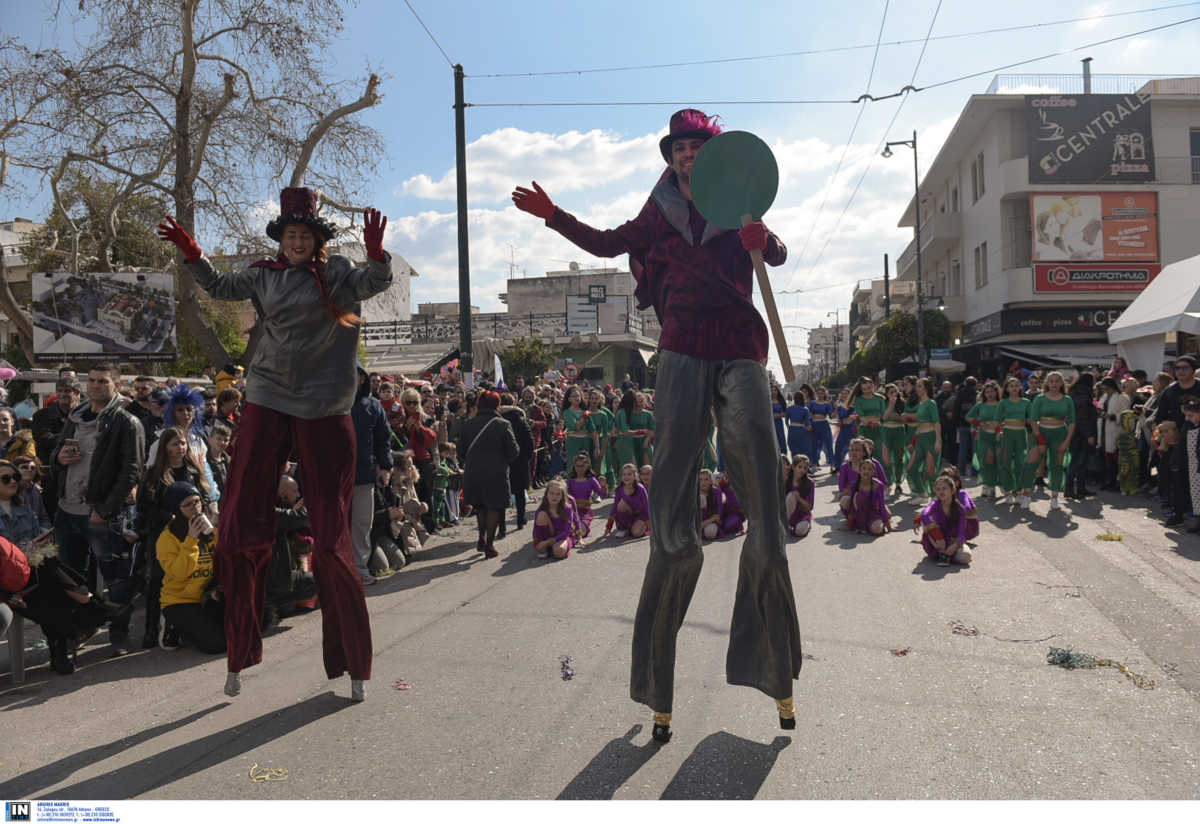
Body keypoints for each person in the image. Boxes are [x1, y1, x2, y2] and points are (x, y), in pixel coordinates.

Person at [513, 108, 802, 740]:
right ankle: (656, 688)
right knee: (670, 532)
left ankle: (774, 673)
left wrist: (766, 243)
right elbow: (607, 244)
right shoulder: (657, 213)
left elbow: (776, 255)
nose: (686, 155)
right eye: (678, 148)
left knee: (768, 527)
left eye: (696, 146)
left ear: (715, 155)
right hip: (677, 354)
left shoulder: (741, 202)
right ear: (670, 158)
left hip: (740, 352)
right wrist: (554, 215)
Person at [158, 190, 393, 701]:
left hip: (326, 399)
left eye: (306, 235)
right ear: (281, 239)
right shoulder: (262, 272)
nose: (298, 242)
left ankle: (351, 663)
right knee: (242, 518)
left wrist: (378, 254)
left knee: (330, 534)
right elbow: (220, 286)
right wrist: (193, 255)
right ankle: (238, 650)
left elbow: (376, 281)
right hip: (268, 389)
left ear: (318, 240)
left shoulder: (339, 273)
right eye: (291, 235)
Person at [49, 363, 145, 594]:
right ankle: (81, 626)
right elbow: (55, 454)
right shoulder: (75, 417)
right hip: (67, 510)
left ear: (117, 385)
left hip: (101, 515)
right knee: (71, 579)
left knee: (116, 579)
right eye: (92, 380)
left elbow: (131, 472)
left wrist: (104, 510)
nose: (96, 385)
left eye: (103, 381)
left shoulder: (127, 423)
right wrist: (59, 459)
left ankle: (118, 629)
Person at [0, 534, 129, 675]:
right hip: (14, 591)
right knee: (51, 585)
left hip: (27, 572)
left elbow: (31, 535)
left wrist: (32, 546)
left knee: (48, 569)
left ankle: (62, 645)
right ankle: (93, 607)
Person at [138, 426, 213, 648]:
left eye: (182, 443)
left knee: (193, 574)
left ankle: (181, 625)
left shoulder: (193, 469)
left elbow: (205, 497)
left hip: (194, 530)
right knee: (158, 580)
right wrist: (167, 516)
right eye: (174, 444)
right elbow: (143, 507)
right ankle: (152, 629)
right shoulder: (154, 475)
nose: (180, 448)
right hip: (164, 534)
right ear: (165, 447)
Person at [156, 481, 225, 654]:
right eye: (188, 504)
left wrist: (219, 587)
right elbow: (180, 574)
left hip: (208, 593)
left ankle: (202, 624)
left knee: (249, 627)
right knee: (217, 644)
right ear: (176, 509)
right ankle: (171, 625)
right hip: (181, 600)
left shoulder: (210, 529)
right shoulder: (167, 539)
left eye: (197, 501)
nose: (195, 507)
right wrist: (191, 540)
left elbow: (224, 560)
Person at [458, 390, 519, 558]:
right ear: (497, 405)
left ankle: (481, 537)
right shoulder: (503, 424)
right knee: (493, 508)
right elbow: (514, 451)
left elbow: (460, 451)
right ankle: (490, 545)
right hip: (496, 473)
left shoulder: (468, 424)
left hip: (473, 473)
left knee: (480, 507)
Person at [350, 366, 394, 586]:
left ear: (362, 379)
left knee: (361, 524)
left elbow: (383, 439)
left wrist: (385, 466)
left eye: (357, 374)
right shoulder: (327, 402)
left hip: (363, 475)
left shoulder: (372, 406)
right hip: (332, 479)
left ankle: (359, 570)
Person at [1153, 355, 1200, 526]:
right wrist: (1165, 434)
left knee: (1196, 478)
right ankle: (1178, 512)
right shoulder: (1170, 391)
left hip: (1196, 439)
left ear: (1193, 370)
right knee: (1176, 477)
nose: (1180, 371)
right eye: (1177, 368)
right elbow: (1159, 416)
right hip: (1175, 442)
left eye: (1184, 368)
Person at [1024, 371, 1076, 511]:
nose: (1054, 384)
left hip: (1060, 433)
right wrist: (1040, 439)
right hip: (1040, 432)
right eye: (1051, 381)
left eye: (1057, 381)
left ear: (1061, 383)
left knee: (1057, 466)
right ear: (1047, 383)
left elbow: (1072, 422)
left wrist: (1066, 441)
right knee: (1031, 463)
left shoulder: (1067, 400)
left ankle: (1054, 497)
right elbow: (1033, 420)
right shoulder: (1040, 399)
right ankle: (1027, 495)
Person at [918, 476, 973, 567]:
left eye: (944, 488)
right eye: (938, 489)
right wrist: (938, 537)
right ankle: (941, 553)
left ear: (952, 490)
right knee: (925, 521)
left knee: (966, 557)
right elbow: (924, 514)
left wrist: (955, 545)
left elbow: (961, 532)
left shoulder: (960, 509)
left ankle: (946, 555)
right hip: (936, 541)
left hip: (952, 540)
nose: (941, 492)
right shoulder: (935, 504)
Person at [499, 394, 534, 532]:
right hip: (519, 460)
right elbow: (529, 440)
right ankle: (520, 519)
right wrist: (527, 457)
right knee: (520, 492)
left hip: (502, 460)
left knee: (502, 493)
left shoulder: (497, 419)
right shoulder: (520, 419)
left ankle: (502, 525)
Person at [904, 378, 942, 505]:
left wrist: (938, 440)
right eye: (917, 386)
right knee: (910, 467)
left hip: (931, 437)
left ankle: (937, 498)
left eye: (919, 386)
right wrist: (913, 442)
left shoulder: (931, 403)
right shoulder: (920, 404)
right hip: (920, 438)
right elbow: (919, 425)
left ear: (926, 388)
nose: (917, 388)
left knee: (930, 471)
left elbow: (936, 422)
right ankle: (922, 493)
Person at [31, 377, 82, 467]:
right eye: (59, 391)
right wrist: (74, 438)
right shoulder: (42, 415)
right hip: (51, 467)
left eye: (67, 391)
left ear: (77, 393)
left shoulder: (85, 414)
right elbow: (43, 440)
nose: (62, 394)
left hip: (79, 465)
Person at [997, 377, 1032, 506]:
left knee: (1020, 463)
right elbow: (997, 420)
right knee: (1005, 462)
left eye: (1017, 385)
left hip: (1021, 434)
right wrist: (998, 432)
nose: (1014, 388)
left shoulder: (1026, 402)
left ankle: (1018, 491)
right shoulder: (1003, 403)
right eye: (1011, 386)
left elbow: (1032, 418)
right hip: (1006, 434)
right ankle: (1007, 491)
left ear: (1020, 388)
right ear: (1006, 388)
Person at [967, 380, 1002, 499]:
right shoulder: (980, 405)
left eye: (992, 391)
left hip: (998, 436)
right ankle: (988, 486)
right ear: (984, 393)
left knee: (998, 462)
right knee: (987, 461)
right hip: (984, 436)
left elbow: (1005, 419)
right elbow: (969, 417)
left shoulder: (1001, 405)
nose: (990, 394)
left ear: (996, 392)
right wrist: (978, 424)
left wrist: (999, 430)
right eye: (987, 392)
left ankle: (994, 484)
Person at [531, 479, 580, 560]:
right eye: (551, 493)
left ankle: (557, 546)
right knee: (541, 515)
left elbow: (567, 532)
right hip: (549, 534)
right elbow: (535, 530)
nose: (554, 497)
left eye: (558, 494)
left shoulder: (567, 508)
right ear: (546, 494)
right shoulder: (542, 508)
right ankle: (547, 548)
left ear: (562, 496)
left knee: (559, 552)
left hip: (563, 536)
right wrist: (537, 542)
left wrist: (579, 535)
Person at [1098, 377, 1130, 491]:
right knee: (1108, 458)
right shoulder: (1105, 396)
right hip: (1104, 429)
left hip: (1116, 430)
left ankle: (1118, 482)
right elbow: (1100, 407)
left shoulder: (1122, 397)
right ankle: (1109, 481)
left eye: (1106, 388)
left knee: (1116, 459)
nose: (1105, 390)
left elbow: (1126, 415)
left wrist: (1112, 416)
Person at [845, 458, 889, 536]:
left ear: (873, 472)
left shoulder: (879, 485)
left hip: (873, 512)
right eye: (864, 468)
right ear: (859, 471)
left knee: (877, 530)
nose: (866, 471)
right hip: (859, 513)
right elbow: (852, 505)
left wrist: (888, 525)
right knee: (854, 498)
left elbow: (882, 505)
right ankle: (859, 524)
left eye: (869, 469)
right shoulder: (854, 485)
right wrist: (849, 525)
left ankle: (868, 525)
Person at [607, 463, 650, 539]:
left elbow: (646, 507)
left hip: (640, 516)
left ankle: (639, 527)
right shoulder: (620, 489)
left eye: (629, 474)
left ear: (635, 475)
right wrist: (609, 526)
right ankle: (623, 529)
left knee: (636, 533)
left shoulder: (640, 488)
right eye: (624, 474)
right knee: (621, 504)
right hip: (627, 516)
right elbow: (614, 507)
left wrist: (649, 524)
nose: (626, 477)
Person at [566, 452, 604, 537]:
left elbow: (603, 494)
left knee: (581, 531)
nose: (579, 469)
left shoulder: (591, 480)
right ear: (574, 466)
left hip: (585, 512)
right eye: (577, 466)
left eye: (582, 466)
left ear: (587, 466)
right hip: (572, 511)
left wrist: (603, 486)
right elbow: (565, 496)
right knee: (568, 529)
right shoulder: (570, 480)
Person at [879, 384, 907, 497]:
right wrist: (890, 406)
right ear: (886, 394)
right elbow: (882, 419)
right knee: (886, 459)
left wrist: (899, 418)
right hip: (886, 431)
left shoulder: (902, 403)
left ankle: (898, 483)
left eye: (895, 391)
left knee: (899, 458)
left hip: (899, 431)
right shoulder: (883, 403)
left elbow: (906, 419)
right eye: (891, 392)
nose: (894, 394)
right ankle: (887, 483)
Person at [851, 376, 885, 458]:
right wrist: (870, 421)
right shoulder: (858, 400)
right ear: (861, 389)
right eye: (864, 388)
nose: (868, 389)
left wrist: (877, 421)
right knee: (865, 453)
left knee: (879, 452)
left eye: (869, 386)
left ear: (873, 385)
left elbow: (883, 415)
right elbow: (861, 417)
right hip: (865, 429)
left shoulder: (880, 398)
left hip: (879, 428)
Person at [952, 376, 978, 479]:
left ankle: (961, 471)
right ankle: (975, 471)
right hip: (975, 425)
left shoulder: (960, 394)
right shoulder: (977, 395)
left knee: (962, 449)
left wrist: (956, 423)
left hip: (962, 425)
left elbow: (956, 410)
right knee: (975, 449)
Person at [784, 454, 813, 539]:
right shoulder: (787, 481)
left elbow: (809, 507)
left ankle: (805, 525)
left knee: (800, 531)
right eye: (799, 467)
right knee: (791, 495)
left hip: (802, 515)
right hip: (788, 515)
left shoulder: (810, 483)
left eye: (805, 468)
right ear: (793, 467)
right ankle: (786, 524)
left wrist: (799, 498)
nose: (802, 470)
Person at [808, 387, 835, 469]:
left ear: (824, 394)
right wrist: (812, 417)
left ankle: (832, 464)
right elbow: (808, 414)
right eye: (818, 393)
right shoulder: (812, 403)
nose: (820, 395)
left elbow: (831, 416)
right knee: (814, 445)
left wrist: (836, 409)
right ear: (816, 394)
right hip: (814, 425)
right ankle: (814, 464)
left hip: (824, 425)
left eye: (822, 393)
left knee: (829, 444)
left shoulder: (827, 404)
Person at [832, 388, 857, 472]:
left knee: (853, 449)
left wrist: (844, 420)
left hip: (853, 430)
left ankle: (853, 467)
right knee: (838, 448)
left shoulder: (855, 406)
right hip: (843, 430)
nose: (844, 395)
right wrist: (841, 421)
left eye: (846, 393)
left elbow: (851, 419)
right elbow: (837, 418)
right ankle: (838, 466)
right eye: (843, 394)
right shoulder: (839, 407)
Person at [698, 468, 723, 540]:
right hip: (698, 524)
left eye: (706, 479)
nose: (703, 482)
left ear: (711, 481)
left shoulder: (717, 492)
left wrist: (711, 520)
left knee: (710, 532)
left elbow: (718, 516)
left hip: (711, 524)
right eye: (700, 480)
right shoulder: (695, 493)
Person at [771, 386, 788, 456]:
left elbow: (785, 413)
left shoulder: (781, 401)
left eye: (775, 390)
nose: (773, 392)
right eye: (772, 390)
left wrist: (778, 415)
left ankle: (783, 456)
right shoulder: (767, 401)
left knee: (781, 438)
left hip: (779, 423)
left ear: (778, 391)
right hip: (770, 424)